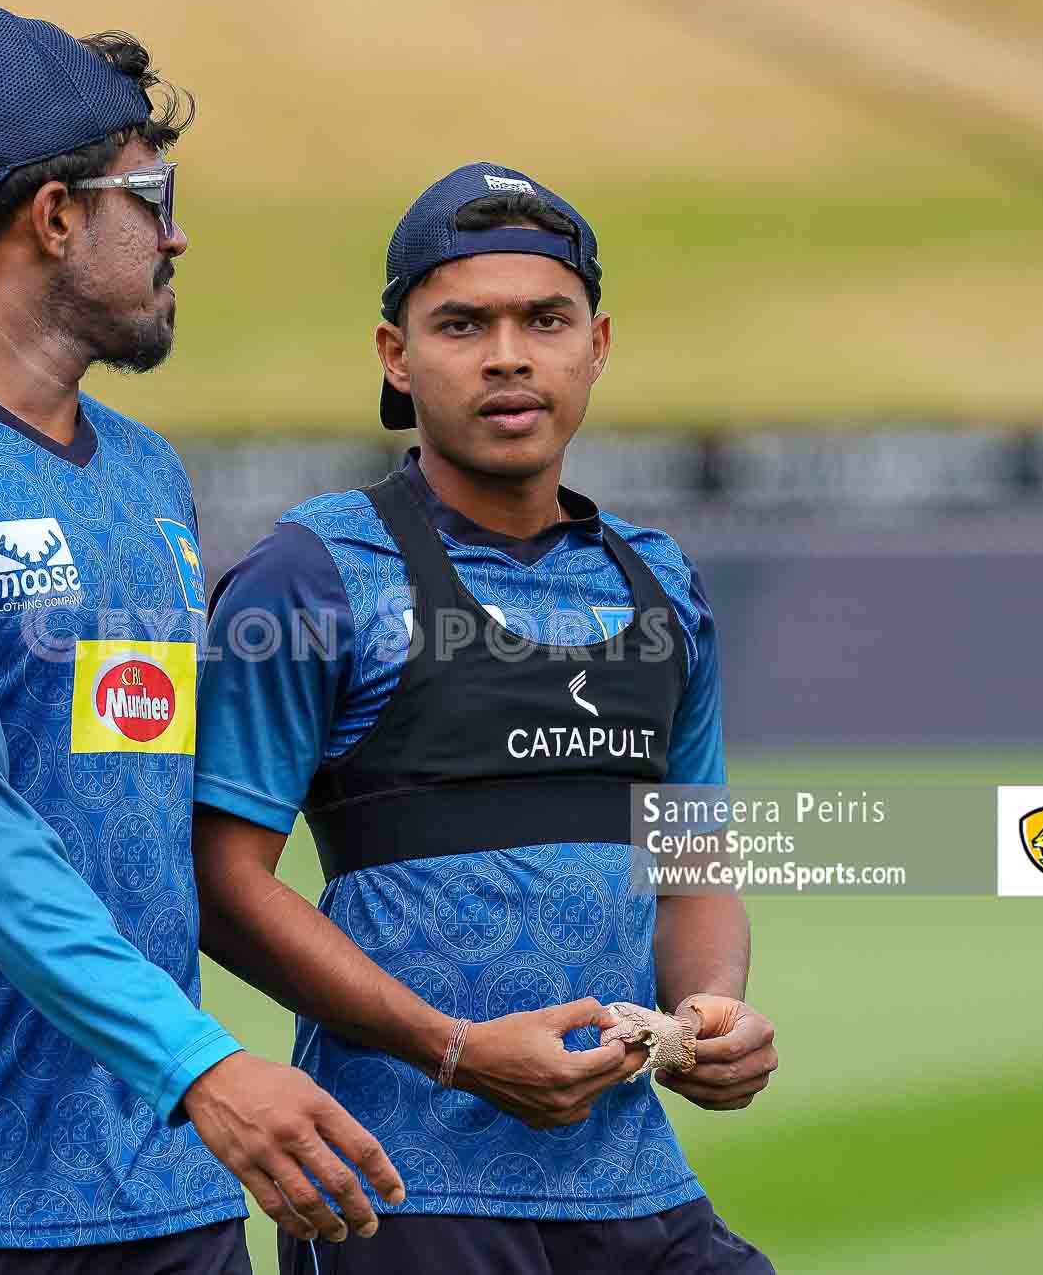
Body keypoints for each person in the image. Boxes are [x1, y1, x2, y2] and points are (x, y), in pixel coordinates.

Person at [0, 0, 400, 1274]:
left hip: (164, 1199)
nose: (177, 234)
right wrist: (203, 1065)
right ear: (54, 216)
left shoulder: (146, 474)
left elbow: (163, 819)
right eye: (149, 197)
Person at [192, 163, 779, 1274]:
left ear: (596, 345)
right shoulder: (314, 573)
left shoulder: (661, 582)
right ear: (394, 355)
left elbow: (693, 868)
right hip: (400, 1192)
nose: (508, 355)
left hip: (637, 1187)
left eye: (544, 320)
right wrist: (455, 1050)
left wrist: (712, 1010)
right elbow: (219, 881)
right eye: (461, 324)